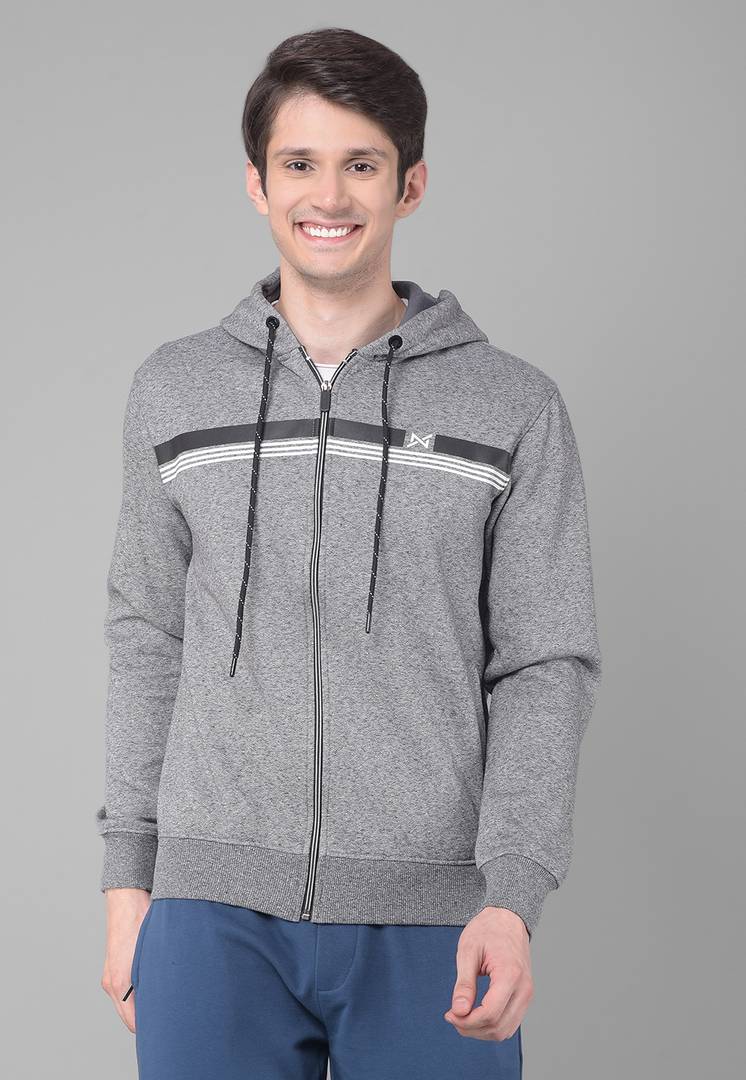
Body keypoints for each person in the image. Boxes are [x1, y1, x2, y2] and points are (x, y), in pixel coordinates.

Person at [95, 25, 602, 1079]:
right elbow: (148, 635)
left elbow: (544, 665)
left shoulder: (512, 405)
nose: (329, 195)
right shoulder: (174, 391)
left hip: (436, 918)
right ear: (257, 183)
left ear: (410, 184)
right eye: (300, 163)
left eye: (361, 164)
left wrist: (511, 896)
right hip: (209, 912)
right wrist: (129, 880)